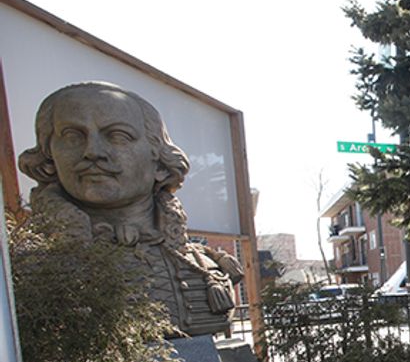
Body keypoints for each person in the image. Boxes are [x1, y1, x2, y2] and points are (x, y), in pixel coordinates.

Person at [18, 81, 242, 337]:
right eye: (72, 136)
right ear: (49, 158)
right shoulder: (29, 275)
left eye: (117, 136)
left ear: (159, 161)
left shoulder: (205, 267)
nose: (93, 152)